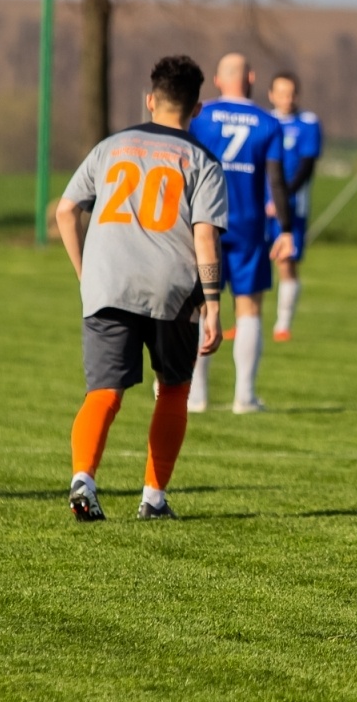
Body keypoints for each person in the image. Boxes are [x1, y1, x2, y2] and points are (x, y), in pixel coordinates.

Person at [55, 55, 228, 522]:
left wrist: (84, 272)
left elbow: (67, 211)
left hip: (108, 281)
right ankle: (153, 498)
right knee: (173, 387)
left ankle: (83, 480)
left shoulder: (110, 146)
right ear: (196, 109)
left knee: (105, 391)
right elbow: (206, 237)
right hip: (170, 287)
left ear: (150, 100)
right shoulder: (203, 161)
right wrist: (212, 305)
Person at [187, 54, 295, 414]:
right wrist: (287, 229)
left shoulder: (199, 117)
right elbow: (276, 180)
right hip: (249, 226)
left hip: (204, 224)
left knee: (203, 306)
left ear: (217, 80)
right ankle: (244, 397)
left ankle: (197, 396)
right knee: (248, 309)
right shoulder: (268, 122)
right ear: (250, 77)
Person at [266, 72, 324, 343]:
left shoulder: (308, 124)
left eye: (290, 93)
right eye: (281, 93)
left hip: (290, 207)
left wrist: (281, 200)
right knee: (250, 260)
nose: (286, 99)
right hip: (260, 207)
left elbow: (306, 166)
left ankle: (283, 324)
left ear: (297, 95)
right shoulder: (264, 122)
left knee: (285, 261)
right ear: (271, 95)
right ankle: (245, 320)